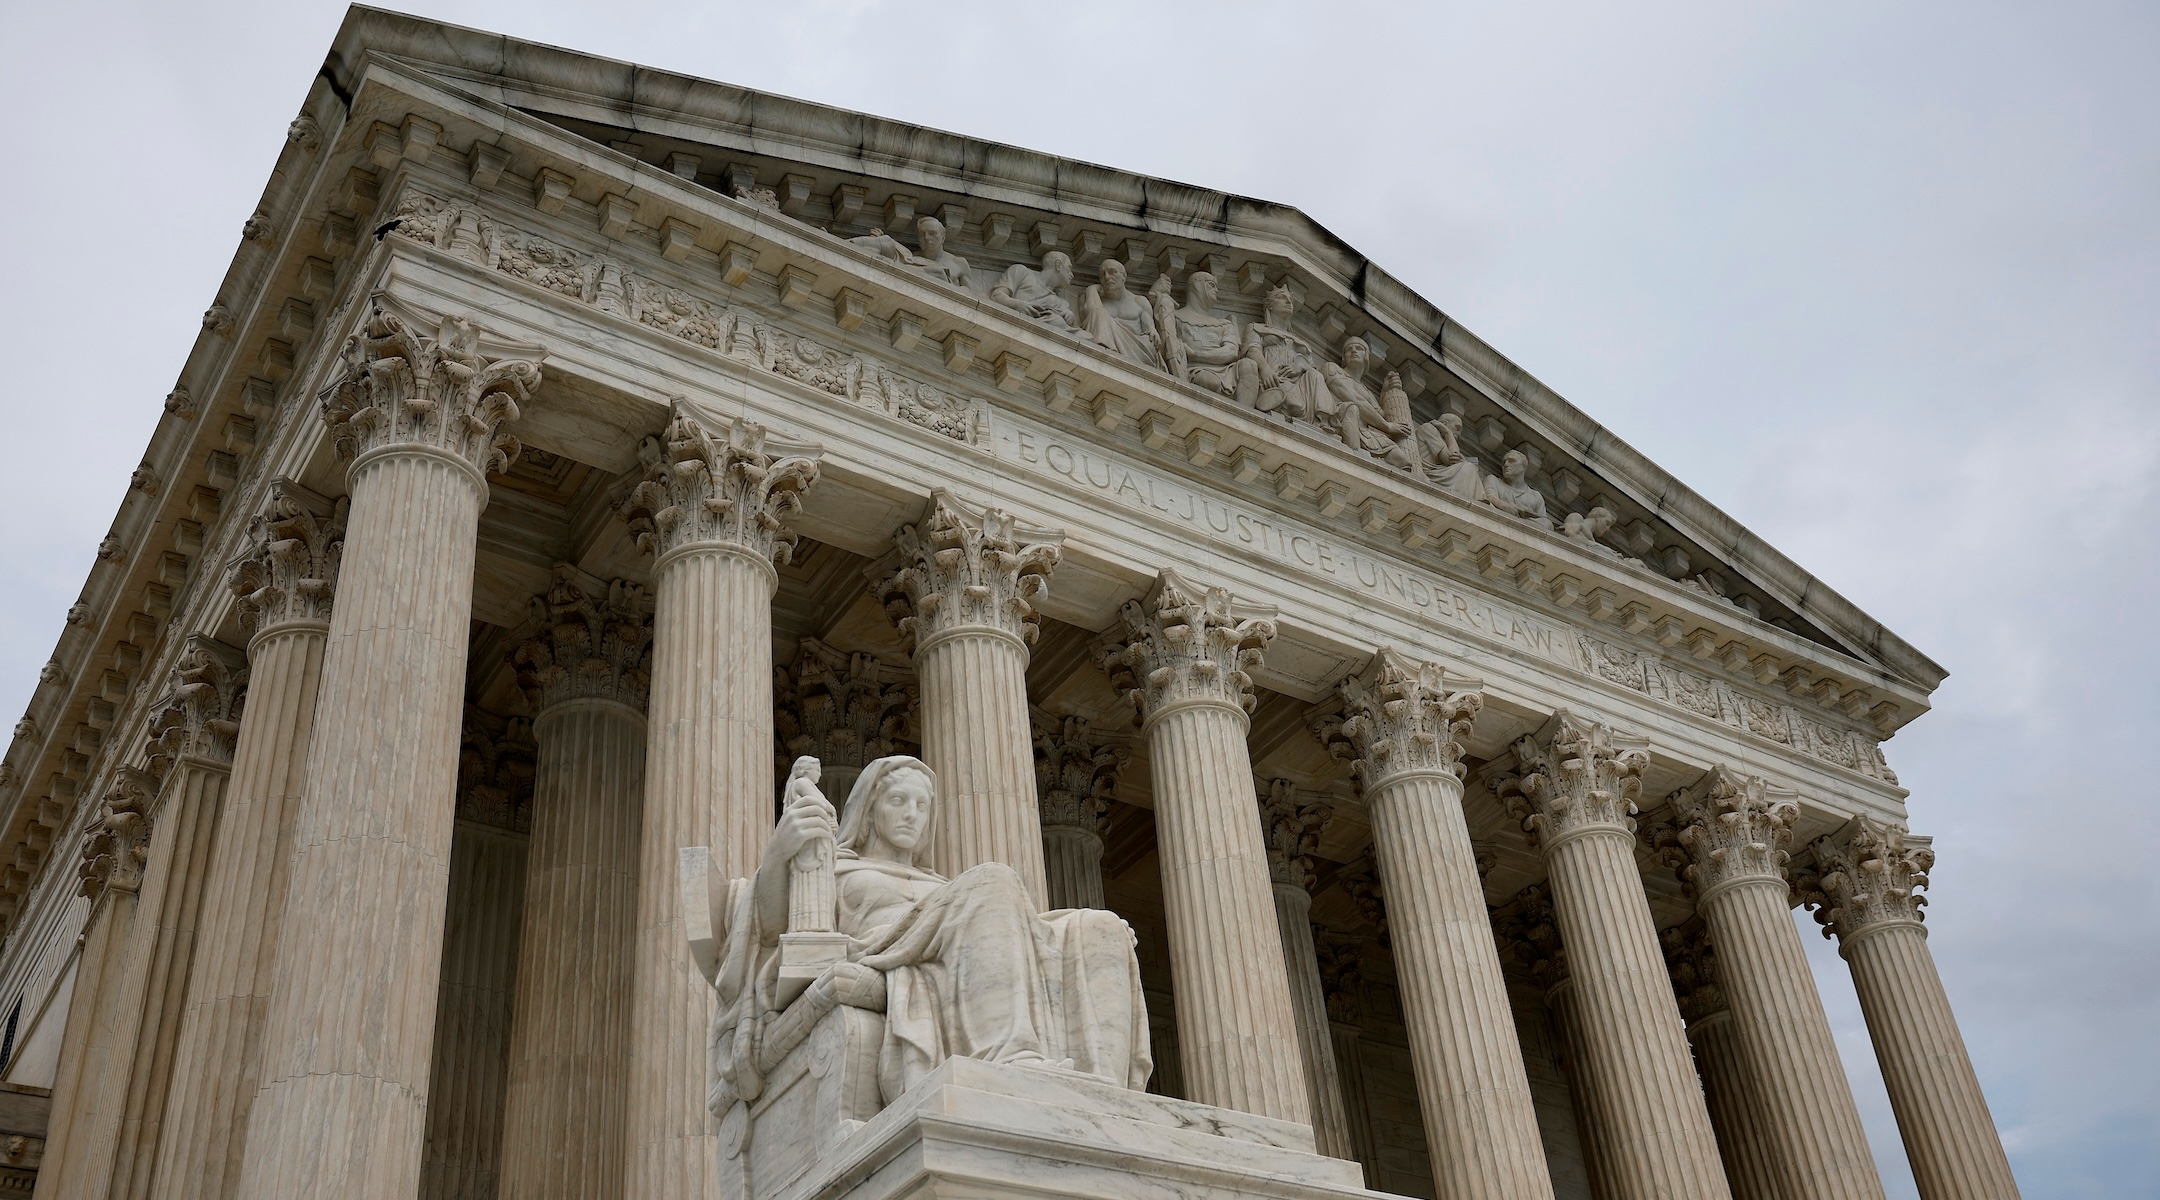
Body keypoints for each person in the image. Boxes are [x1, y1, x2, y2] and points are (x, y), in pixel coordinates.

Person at [710, 755, 1152, 1108]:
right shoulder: (839, 868)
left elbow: (1016, 936)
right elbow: (768, 929)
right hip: (882, 949)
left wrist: (1066, 925)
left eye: (922, 807)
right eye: (898, 801)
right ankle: (1008, 1058)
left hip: (941, 953)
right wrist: (778, 853)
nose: (912, 816)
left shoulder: (944, 888)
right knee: (994, 879)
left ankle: (1104, 1094)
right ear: (869, 809)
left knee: (1100, 926)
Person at [1162, 271, 1258, 405]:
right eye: (1211, 285)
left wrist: (1195, 354)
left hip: (1225, 370)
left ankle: (1245, 418)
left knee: (1249, 365)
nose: (1217, 290)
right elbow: (1166, 339)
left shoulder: (1224, 324)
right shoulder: (1176, 317)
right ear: (1197, 286)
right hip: (1196, 369)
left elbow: (1231, 352)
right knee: (1209, 381)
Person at [1319, 342, 1416, 469]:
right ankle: (1354, 464)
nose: (1353, 350)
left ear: (1366, 357)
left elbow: (1381, 414)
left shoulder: (1367, 391)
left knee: (1402, 461)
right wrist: (1387, 426)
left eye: (1358, 348)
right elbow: (1353, 399)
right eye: (1349, 349)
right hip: (1339, 421)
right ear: (1343, 357)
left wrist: (1385, 392)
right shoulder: (1332, 369)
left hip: (1365, 433)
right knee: (1352, 408)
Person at [1242, 283, 1330, 421]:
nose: (1288, 302)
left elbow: (1312, 368)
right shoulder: (1256, 328)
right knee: (1291, 400)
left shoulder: (1302, 342)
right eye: (1282, 298)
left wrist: (1300, 365)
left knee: (1315, 376)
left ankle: (1324, 421)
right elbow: (1252, 350)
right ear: (1270, 305)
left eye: (1290, 300)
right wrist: (1265, 369)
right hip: (1273, 379)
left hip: (1299, 384)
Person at [1078, 259, 1162, 367]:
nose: (1107, 277)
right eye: (1102, 275)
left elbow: (1150, 330)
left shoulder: (1139, 301)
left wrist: (1152, 328)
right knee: (1099, 314)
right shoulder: (1097, 302)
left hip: (1137, 350)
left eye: (1112, 272)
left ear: (1124, 276)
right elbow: (1090, 316)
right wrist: (1091, 289)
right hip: (1104, 350)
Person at [990, 250, 1079, 330]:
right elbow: (996, 295)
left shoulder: (1062, 303)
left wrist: (1069, 318)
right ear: (1058, 265)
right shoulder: (1021, 272)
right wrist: (1017, 304)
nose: (1072, 275)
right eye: (1069, 268)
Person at [1415, 412, 1484, 500]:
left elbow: (1454, 457)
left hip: (1440, 472)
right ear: (1445, 424)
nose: (1459, 434)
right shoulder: (1428, 428)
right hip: (1430, 473)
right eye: (1457, 428)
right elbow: (1450, 459)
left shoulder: (1444, 441)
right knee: (1468, 467)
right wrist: (1448, 433)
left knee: (1470, 468)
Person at [1481, 450, 1552, 528]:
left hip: (1528, 528)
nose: (1506, 464)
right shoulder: (1493, 480)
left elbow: (1544, 522)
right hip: (1499, 522)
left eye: (1512, 461)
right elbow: (1489, 497)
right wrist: (1504, 506)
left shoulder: (1535, 496)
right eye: (1504, 462)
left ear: (1523, 467)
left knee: (1548, 524)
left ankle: (1521, 523)